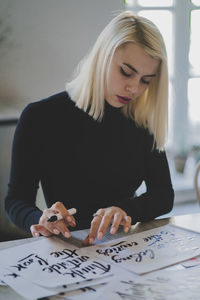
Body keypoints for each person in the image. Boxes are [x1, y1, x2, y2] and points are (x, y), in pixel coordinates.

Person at [5, 10, 174, 245]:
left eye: (146, 80)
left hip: (126, 250)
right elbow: (16, 200)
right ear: (102, 57)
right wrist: (40, 219)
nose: (134, 88)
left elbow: (163, 196)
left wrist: (125, 209)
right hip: (67, 250)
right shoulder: (39, 117)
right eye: (126, 72)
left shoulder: (142, 120)